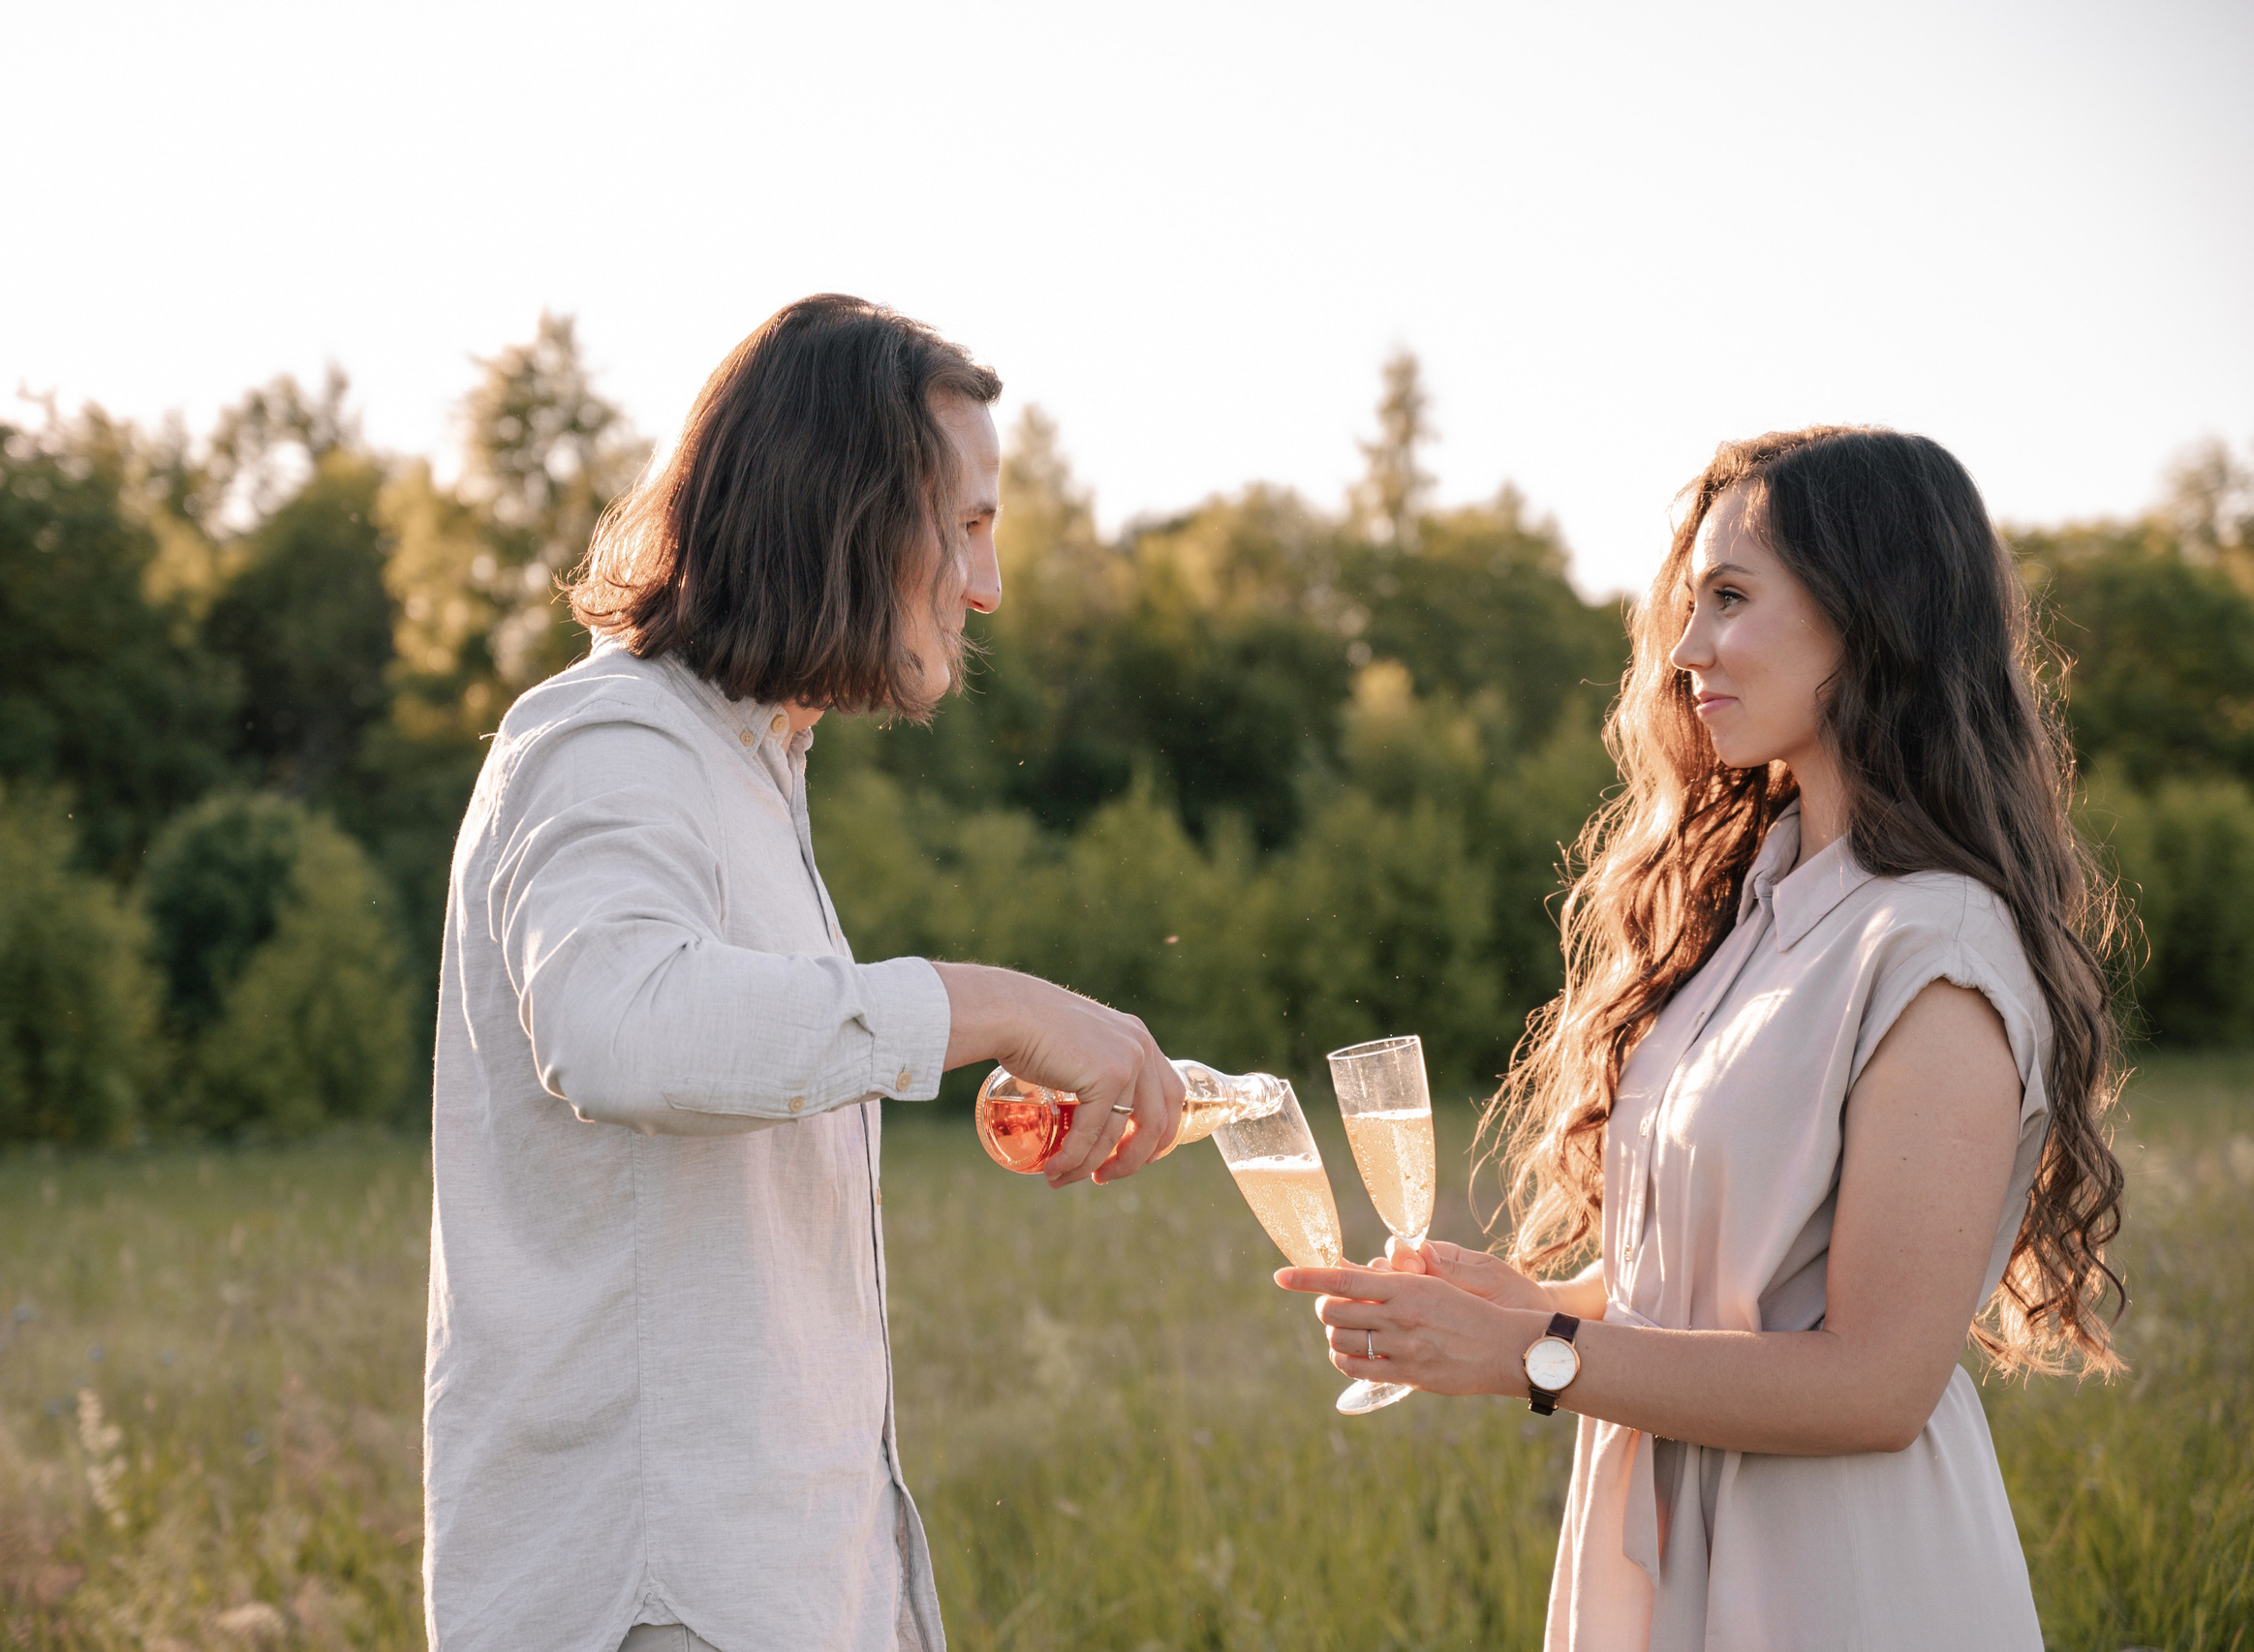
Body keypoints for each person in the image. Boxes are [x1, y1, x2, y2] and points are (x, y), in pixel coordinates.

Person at [421, 293, 1187, 1652]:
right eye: (964, 525)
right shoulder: (608, 742)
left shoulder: (755, 775)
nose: (987, 582)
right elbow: (617, 1033)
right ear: (846, 512)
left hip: (792, 1590)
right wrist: (991, 1003)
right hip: (656, 1600)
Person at [1281, 427, 2127, 1650]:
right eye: (1690, 604)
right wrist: (1536, 1298)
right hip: (1673, 1546)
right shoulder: (1756, 913)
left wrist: (1534, 1351)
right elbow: (1731, 1284)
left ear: (1870, 612)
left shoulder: (1936, 949)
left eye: (1730, 599)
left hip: (1837, 1578)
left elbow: (1875, 1381)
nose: (1684, 651)